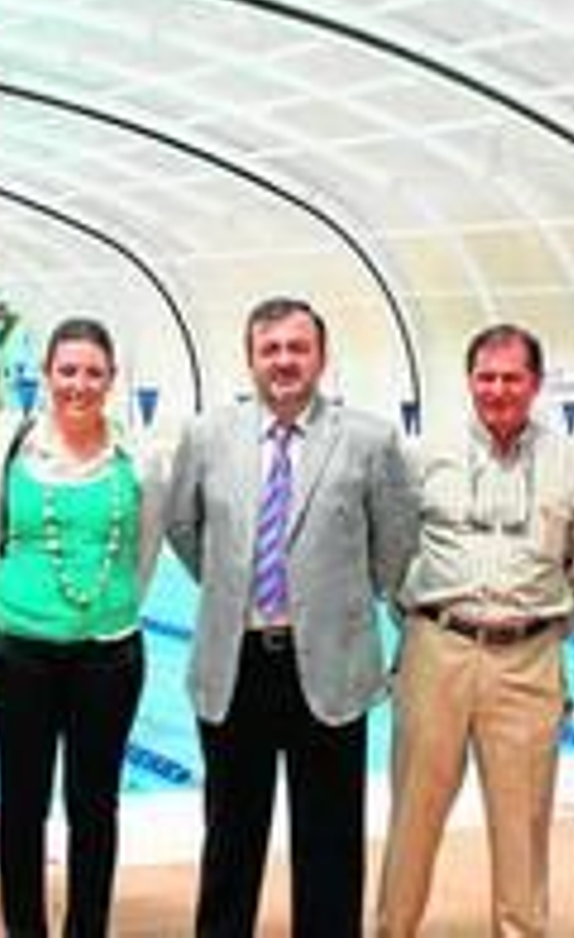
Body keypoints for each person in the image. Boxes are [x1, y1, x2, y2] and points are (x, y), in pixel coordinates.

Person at [165, 295, 419, 938]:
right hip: (237, 663)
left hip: (330, 665)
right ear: (250, 358)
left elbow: (395, 543)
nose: (284, 362)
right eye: (270, 349)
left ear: (321, 357)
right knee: (230, 838)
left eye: (297, 348)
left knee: (330, 842)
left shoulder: (369, 439)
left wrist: (339, 604)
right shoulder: (208, 436)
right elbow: (183, 526)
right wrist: (232, 591)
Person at [376, 323, 574, 938]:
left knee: (524, 827)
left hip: (528, 660)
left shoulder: (572, 462)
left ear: (535, 383)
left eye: (511, 377)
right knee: (413, 821)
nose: (497, 389)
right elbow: (392, 552)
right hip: (437, 652)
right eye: (486, 377)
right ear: (469, 380)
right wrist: (424, 622)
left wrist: (539, 628)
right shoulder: (424, 453)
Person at [0, 317, 165, 938]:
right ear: (47, 374)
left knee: (94, 807)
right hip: (19, 656)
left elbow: (146, 549)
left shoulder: (139, 458)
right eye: (67, 370)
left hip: (108, 657)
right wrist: (6, 610)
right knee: (21, 805)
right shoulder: (11, 446)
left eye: (93, 373)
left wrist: (109, 608)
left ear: (111, 380)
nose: (78, 385)